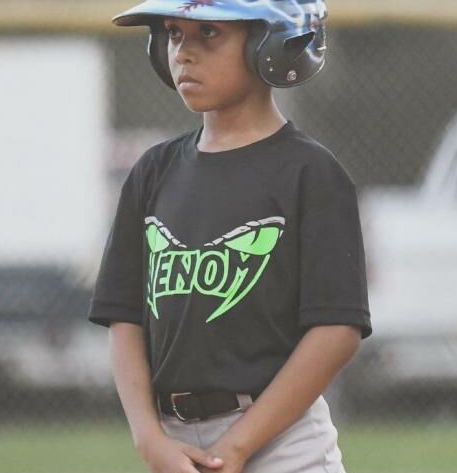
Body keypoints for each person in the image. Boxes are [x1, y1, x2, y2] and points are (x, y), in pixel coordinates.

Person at [87, 1, 373, 473]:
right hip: (173, 442)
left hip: (281, 441)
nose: (183, 53)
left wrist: (238, 446)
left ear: (270, 41)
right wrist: (149, 439)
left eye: (208, 33)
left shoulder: (310, 173)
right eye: (174, 34)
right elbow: (124, 319)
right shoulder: (153, 172)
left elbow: (337, 331)